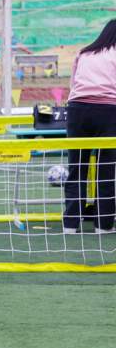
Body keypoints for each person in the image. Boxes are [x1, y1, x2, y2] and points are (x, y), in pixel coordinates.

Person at [63, 18, 116, 234]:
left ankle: (70, 225)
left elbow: (73, 86)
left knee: (76, 169)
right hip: (109, 110)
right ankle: (103, 226)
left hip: (77, 110)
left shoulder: (84, 53)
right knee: (107, 172)